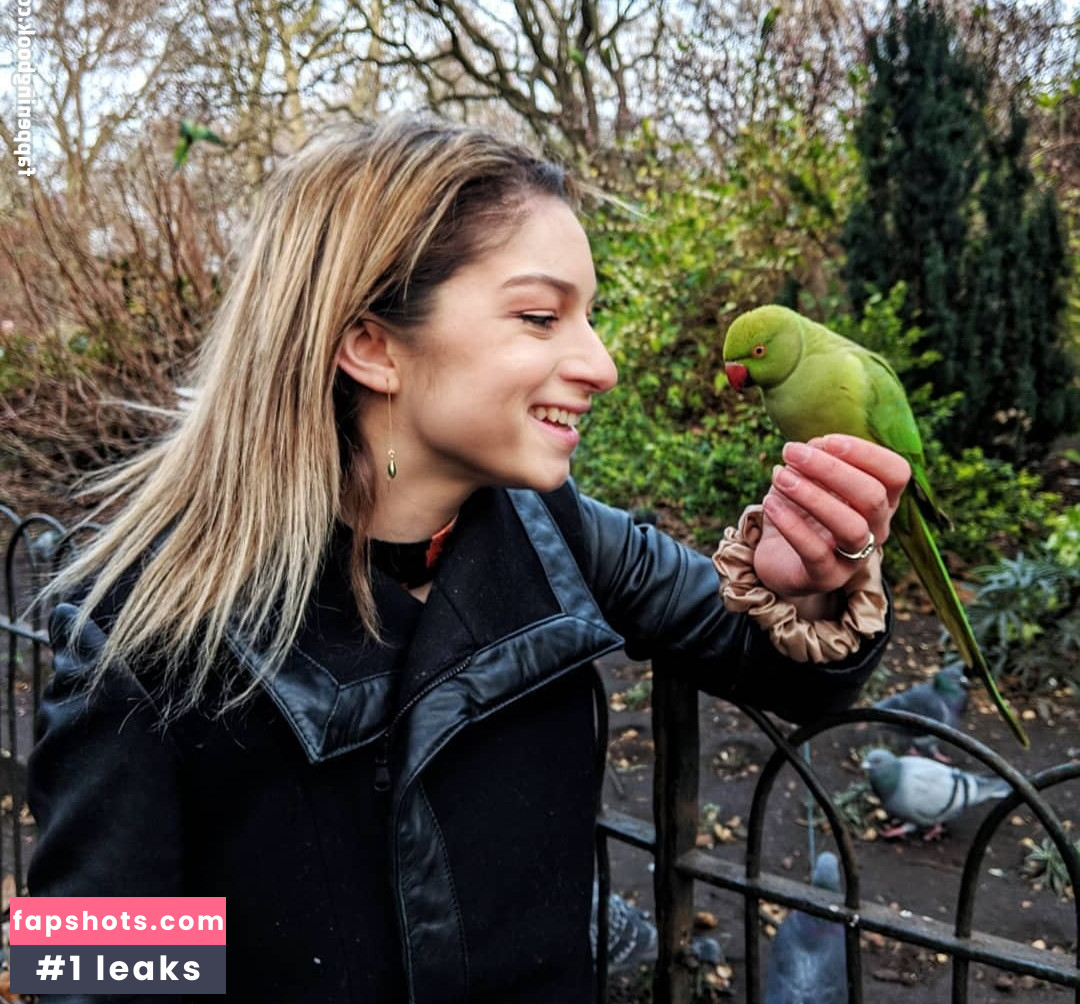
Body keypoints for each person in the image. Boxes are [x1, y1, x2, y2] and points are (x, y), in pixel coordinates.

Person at [27, 117, 910, 1004]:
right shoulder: (143, 628)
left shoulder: (553, 533)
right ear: (370, 344)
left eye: (588, 316)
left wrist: (811, 585)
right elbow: (95, 977)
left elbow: (793, 671)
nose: (600, 364)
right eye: (540, 316)